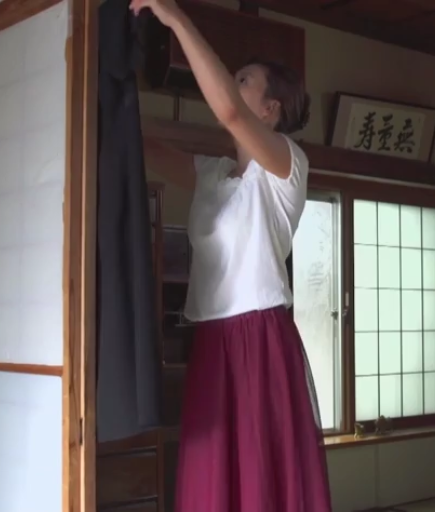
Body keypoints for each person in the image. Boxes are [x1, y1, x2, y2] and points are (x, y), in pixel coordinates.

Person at [130, 1, 332, 511]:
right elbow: (143, 147)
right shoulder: (214, 174)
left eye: (243, 80)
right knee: (214, 472)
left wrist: (175, 18)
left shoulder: (286, 164)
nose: (230, 84)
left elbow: (228, 112)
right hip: (212, 338)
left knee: (259, 473)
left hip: (258, 336)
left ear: (270, 109)